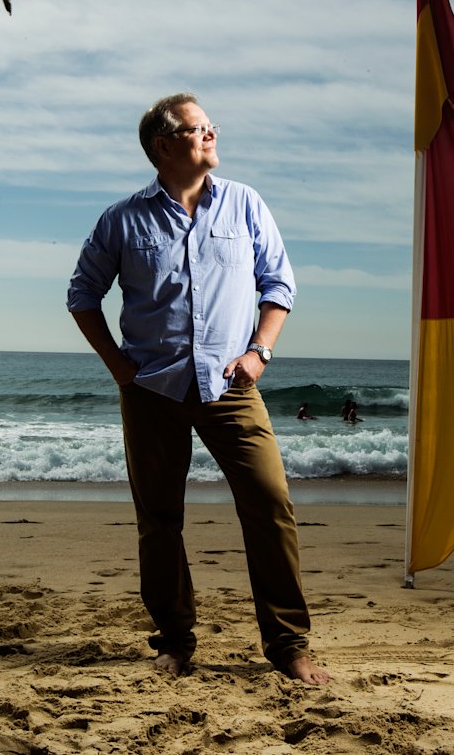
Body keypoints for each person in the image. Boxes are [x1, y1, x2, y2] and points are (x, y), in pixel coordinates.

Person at [67, 93, 329, 685]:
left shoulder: (244, 203)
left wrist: (260, 350)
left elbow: (278, 283)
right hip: (152, 388)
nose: (211, 133)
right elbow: (83, 294)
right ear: (164, 146)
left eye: (211, 126)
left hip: (232, 385)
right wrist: (118, 366)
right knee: (159, 518)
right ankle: (175, 639)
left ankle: (288, 643)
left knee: (269, 504)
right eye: (198, 128)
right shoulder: (121, 220)